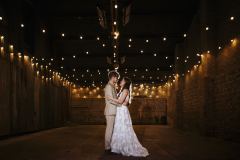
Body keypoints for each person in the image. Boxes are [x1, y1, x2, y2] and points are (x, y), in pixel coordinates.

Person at [106, 77, 149, 157]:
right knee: (118, 128)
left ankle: (124, 147)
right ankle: (117, 147)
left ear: (125, 82)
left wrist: (110, 98)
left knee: (123, 128)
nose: (120, 81)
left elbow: (120, 101)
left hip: (122, 111)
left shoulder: (125, 90)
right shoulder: (122, 90)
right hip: (120, 110)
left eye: (122, 80)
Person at [104, 70, 120, 151]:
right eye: (116, 77)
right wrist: (119, 104)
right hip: (110, 111)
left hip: (113, 111)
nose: (117, 79)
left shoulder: (112, 86)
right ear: (113, 77)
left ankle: (110, 145)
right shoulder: (108, 87)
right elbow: (110, 99)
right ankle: (107, 147)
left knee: (112, 129)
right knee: (109, 129)